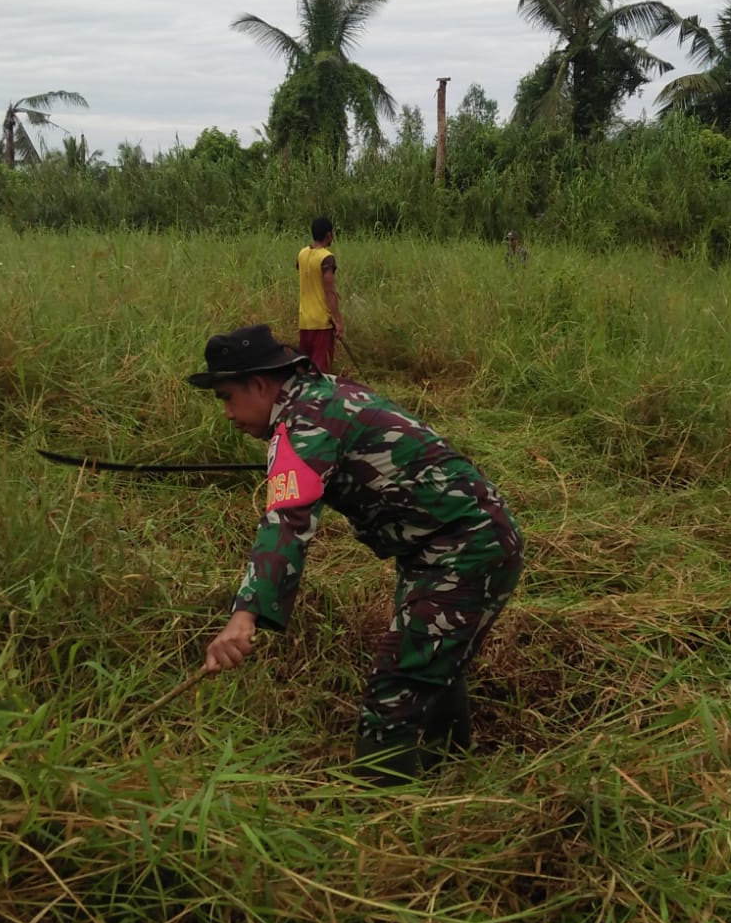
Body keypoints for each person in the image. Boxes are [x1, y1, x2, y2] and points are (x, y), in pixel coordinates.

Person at [191, 324, 524, 785]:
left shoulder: (302, 426)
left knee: (394, 691)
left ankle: (383, 825)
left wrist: (244, 614)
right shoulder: (322, 394)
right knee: (431, 664)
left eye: (227, 397)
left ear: (261, 384)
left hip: (463, 549)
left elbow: (286, 522)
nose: (227, 413)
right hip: (452, 544)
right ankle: (451, 778)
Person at [295, 216, 342, 374]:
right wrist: (338, 320)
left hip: (304, 320)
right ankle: (319, 399)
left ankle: (302, 398)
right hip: (322, 323)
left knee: (304, 371)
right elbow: (329, 291)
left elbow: (309, 278)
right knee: (320, 374)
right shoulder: (326, 258)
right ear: (328, 235)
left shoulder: (302, 254)